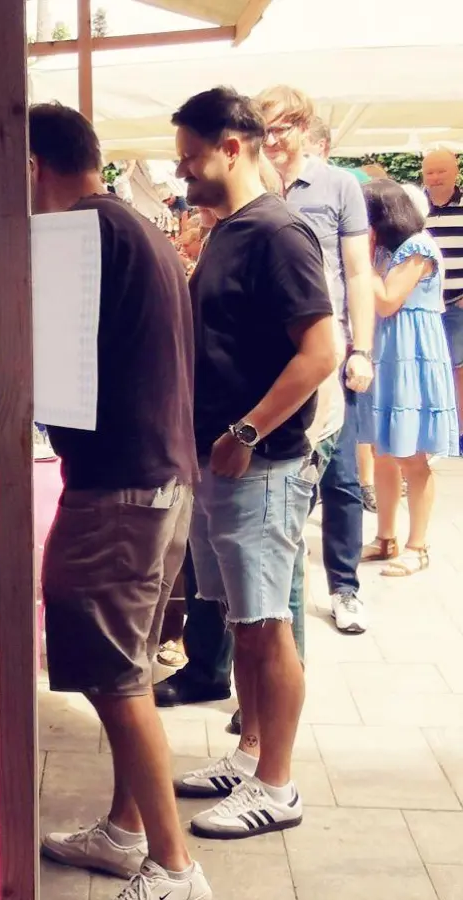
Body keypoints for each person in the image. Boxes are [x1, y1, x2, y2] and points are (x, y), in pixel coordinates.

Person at [0, 103, 206, 900]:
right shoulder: (139, 227)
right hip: (164, 481)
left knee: (114, 679)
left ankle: (175, 869)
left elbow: (40, 384)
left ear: (31, 166)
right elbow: (89, 351)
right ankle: (127, 832)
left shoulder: (66, 236)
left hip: (117, 490)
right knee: (129, 669)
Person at [170, 86, 340, 842]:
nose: (183, 174)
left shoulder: (278, 232)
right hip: (223, 462)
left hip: (261, 462)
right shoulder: (227, 230)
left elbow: (321, 350)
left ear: (231, 148)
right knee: (242, 620)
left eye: (189, 157)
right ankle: (249, 754)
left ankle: (278, 784)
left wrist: (245, 429)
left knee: (268, 626)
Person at [255, 84, 376, 636]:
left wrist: (362, 349)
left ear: (305, 128)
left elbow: (355, 273)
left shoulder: (339, 185)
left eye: (283, 127)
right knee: (282, 494)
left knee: (344, 480)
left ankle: (345, 588)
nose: (274, 139)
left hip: (329, 353)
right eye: (265, 129)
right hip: (272, 360)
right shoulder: (251, 184)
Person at [357, 179, 459, 575]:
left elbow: (387, 301)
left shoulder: (418, 247)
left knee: (412, 455)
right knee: (384, 452)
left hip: (413, 356)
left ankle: (418, 545)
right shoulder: (387, 249)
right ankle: (386, 537)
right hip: (387, 354)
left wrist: (362, 257)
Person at [420, 150, 463, 441]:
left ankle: (459, 434)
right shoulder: (414, 207)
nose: (435, 178)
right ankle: (433, 434)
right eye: (430, 172)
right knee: (426, 371)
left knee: (459, 371)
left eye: (441, 172)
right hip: (423, 305)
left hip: (458, 303)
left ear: (455, 172)